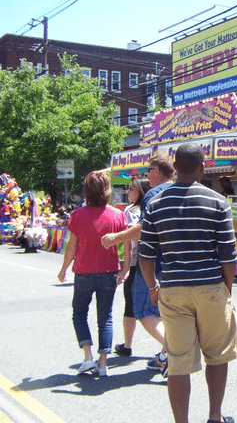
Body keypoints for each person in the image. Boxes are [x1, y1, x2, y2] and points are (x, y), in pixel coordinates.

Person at [139, 143, 237, 423]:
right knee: (217, 355)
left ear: (174, 168)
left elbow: (145, 255)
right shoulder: (218, 202)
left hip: (173, 289)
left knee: (178, 361)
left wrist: (152, 286)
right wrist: (227, 289)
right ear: (202, 168)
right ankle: (214, 416)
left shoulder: (156, 204)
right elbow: (228, 255)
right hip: (210, 287)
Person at [101, 155, 174, 374]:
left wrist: (116, 237)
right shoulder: (184, 190)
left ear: (157, 172)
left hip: (153, 263)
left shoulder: (153, 194)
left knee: (143, 311)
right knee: (166, 314)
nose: (147, 175)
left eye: (148, 170)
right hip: (178, 265)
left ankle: (174, 352)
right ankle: (165, 356)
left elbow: (144, 229)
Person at [57, 171, 130, 377]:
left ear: (86, 191)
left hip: (83, 272)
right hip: (109, 272)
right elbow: (127, 244)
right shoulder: (118, 215)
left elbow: (72, 246)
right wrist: (125, 269)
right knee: (105, 317)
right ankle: (103, 363)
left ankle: (88, 355)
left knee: (79, 313)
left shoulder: (77, 215)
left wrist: (63, 269)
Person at [114, 178, 151, 357]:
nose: (128, 191)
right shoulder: (152, 208)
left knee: (131, 305)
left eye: (131, 188)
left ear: (141, 191)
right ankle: (165, 350)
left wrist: (125, 268)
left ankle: (127, 345)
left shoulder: (130, 211)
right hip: (154, 262)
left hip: (137, 263)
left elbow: (128, 242)